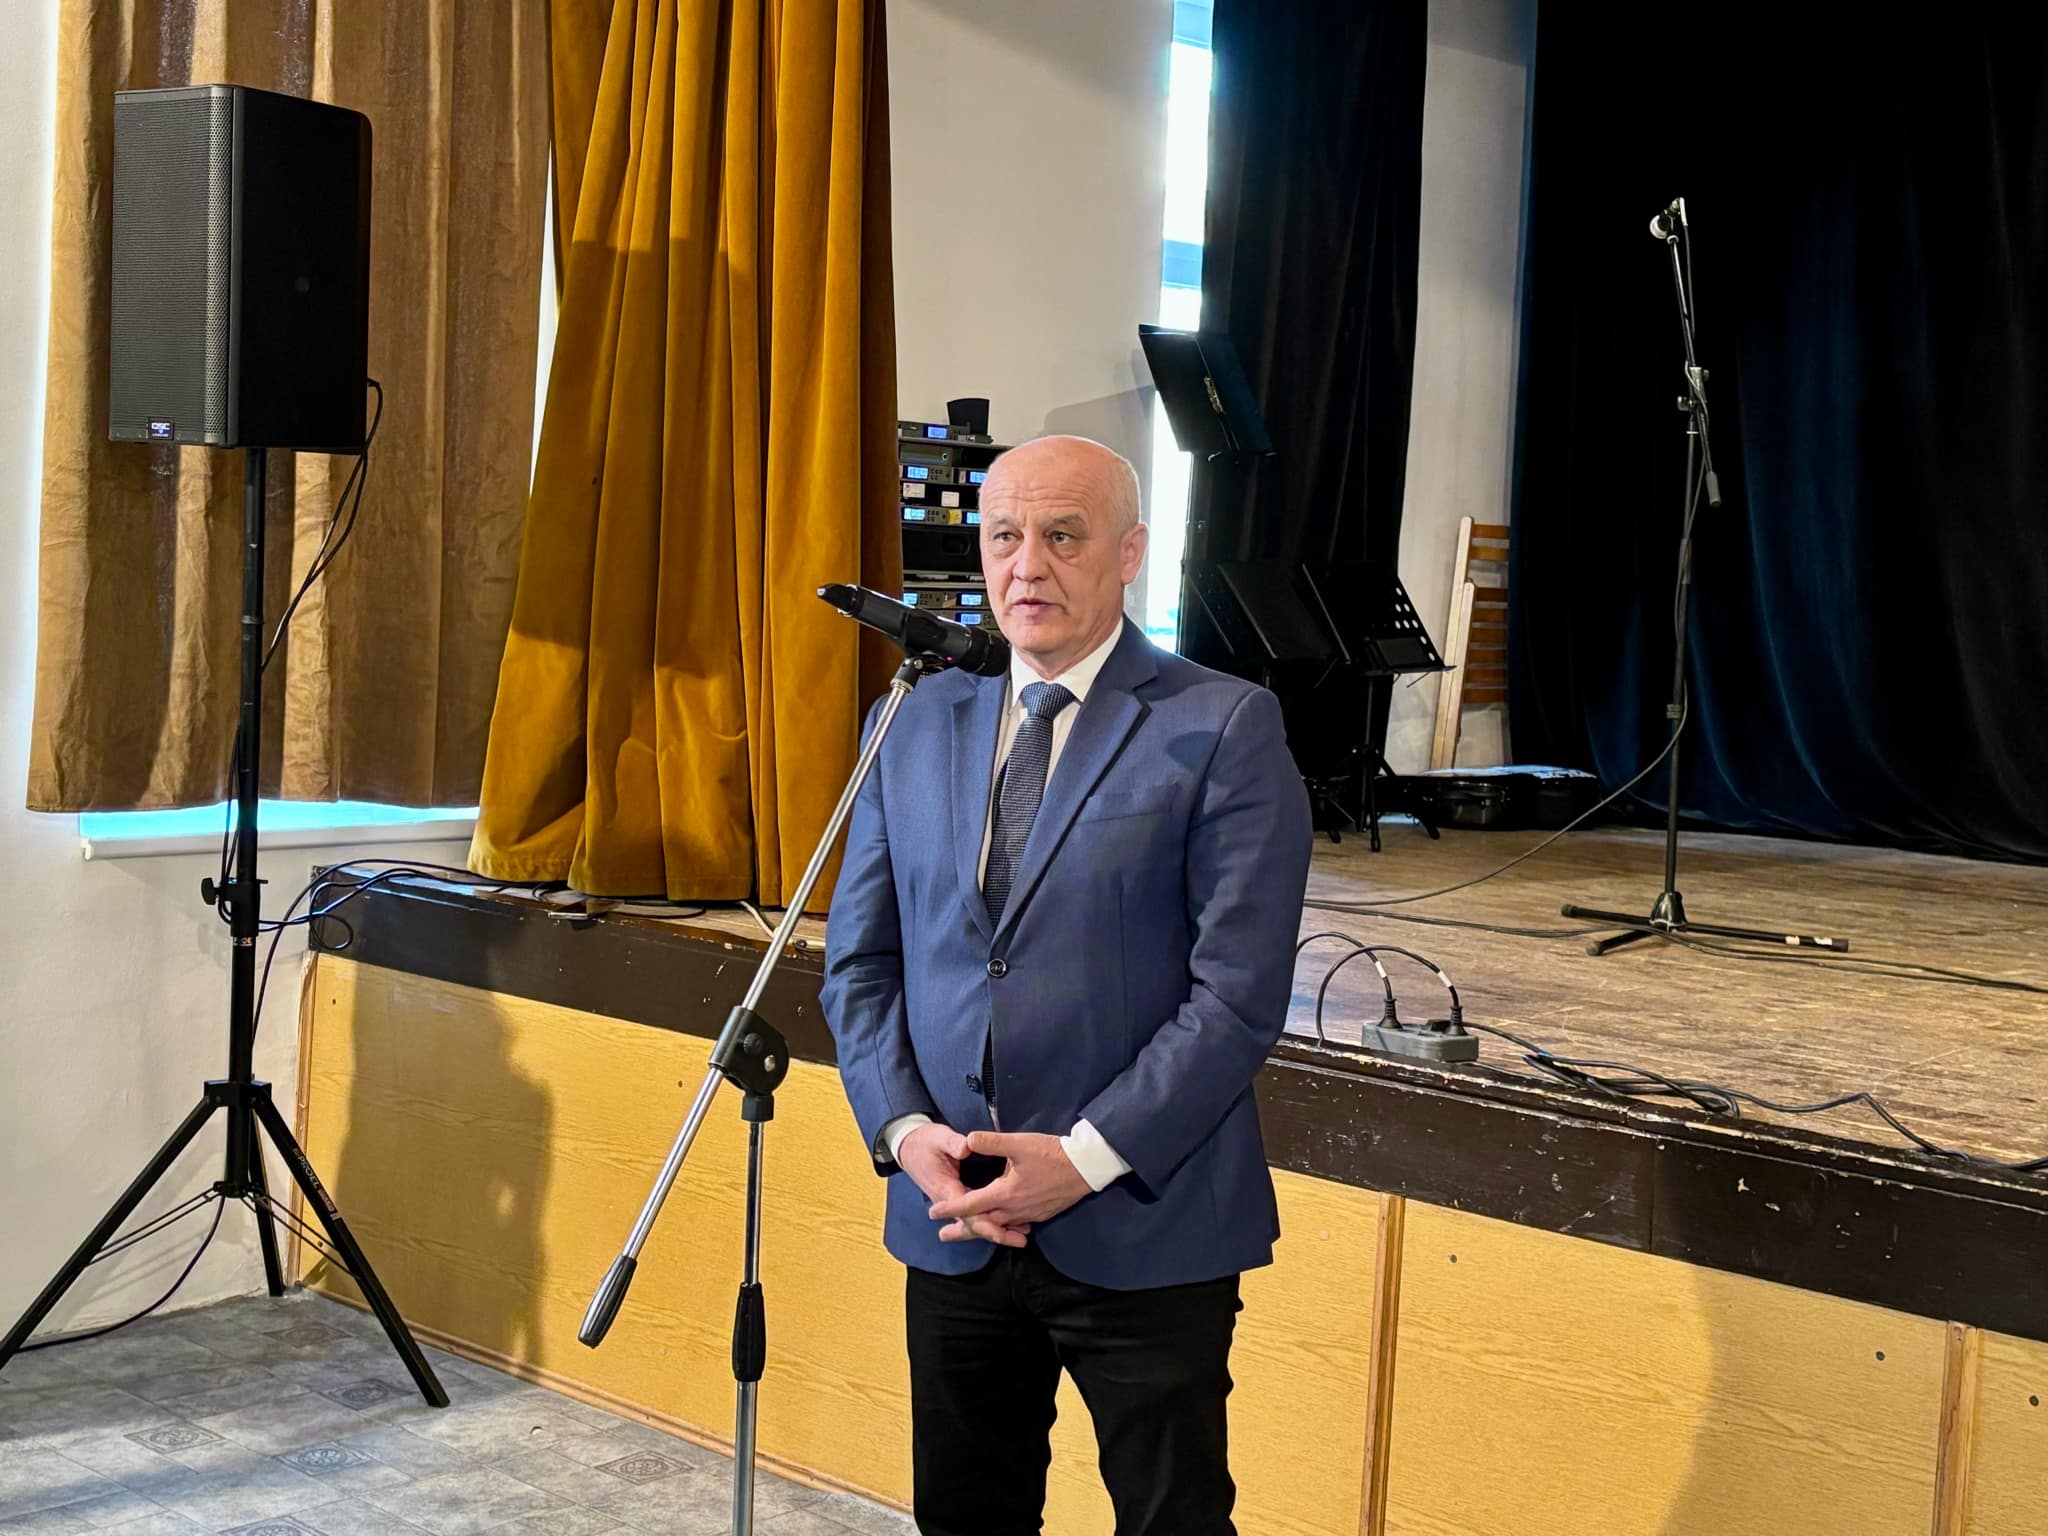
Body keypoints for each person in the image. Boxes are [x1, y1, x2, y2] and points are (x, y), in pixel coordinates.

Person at [820, 434, 1312, 1535]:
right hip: (954, 1217)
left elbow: (1236, 996)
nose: (1026, 566)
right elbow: (860, 961)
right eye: (1003, 537)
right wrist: (903, 1130)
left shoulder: (1221, 725)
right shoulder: (913, 718)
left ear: (1129, 552)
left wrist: (1081, 1159)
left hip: (1143, 1217)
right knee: (966, 1516)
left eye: (1062, 536)